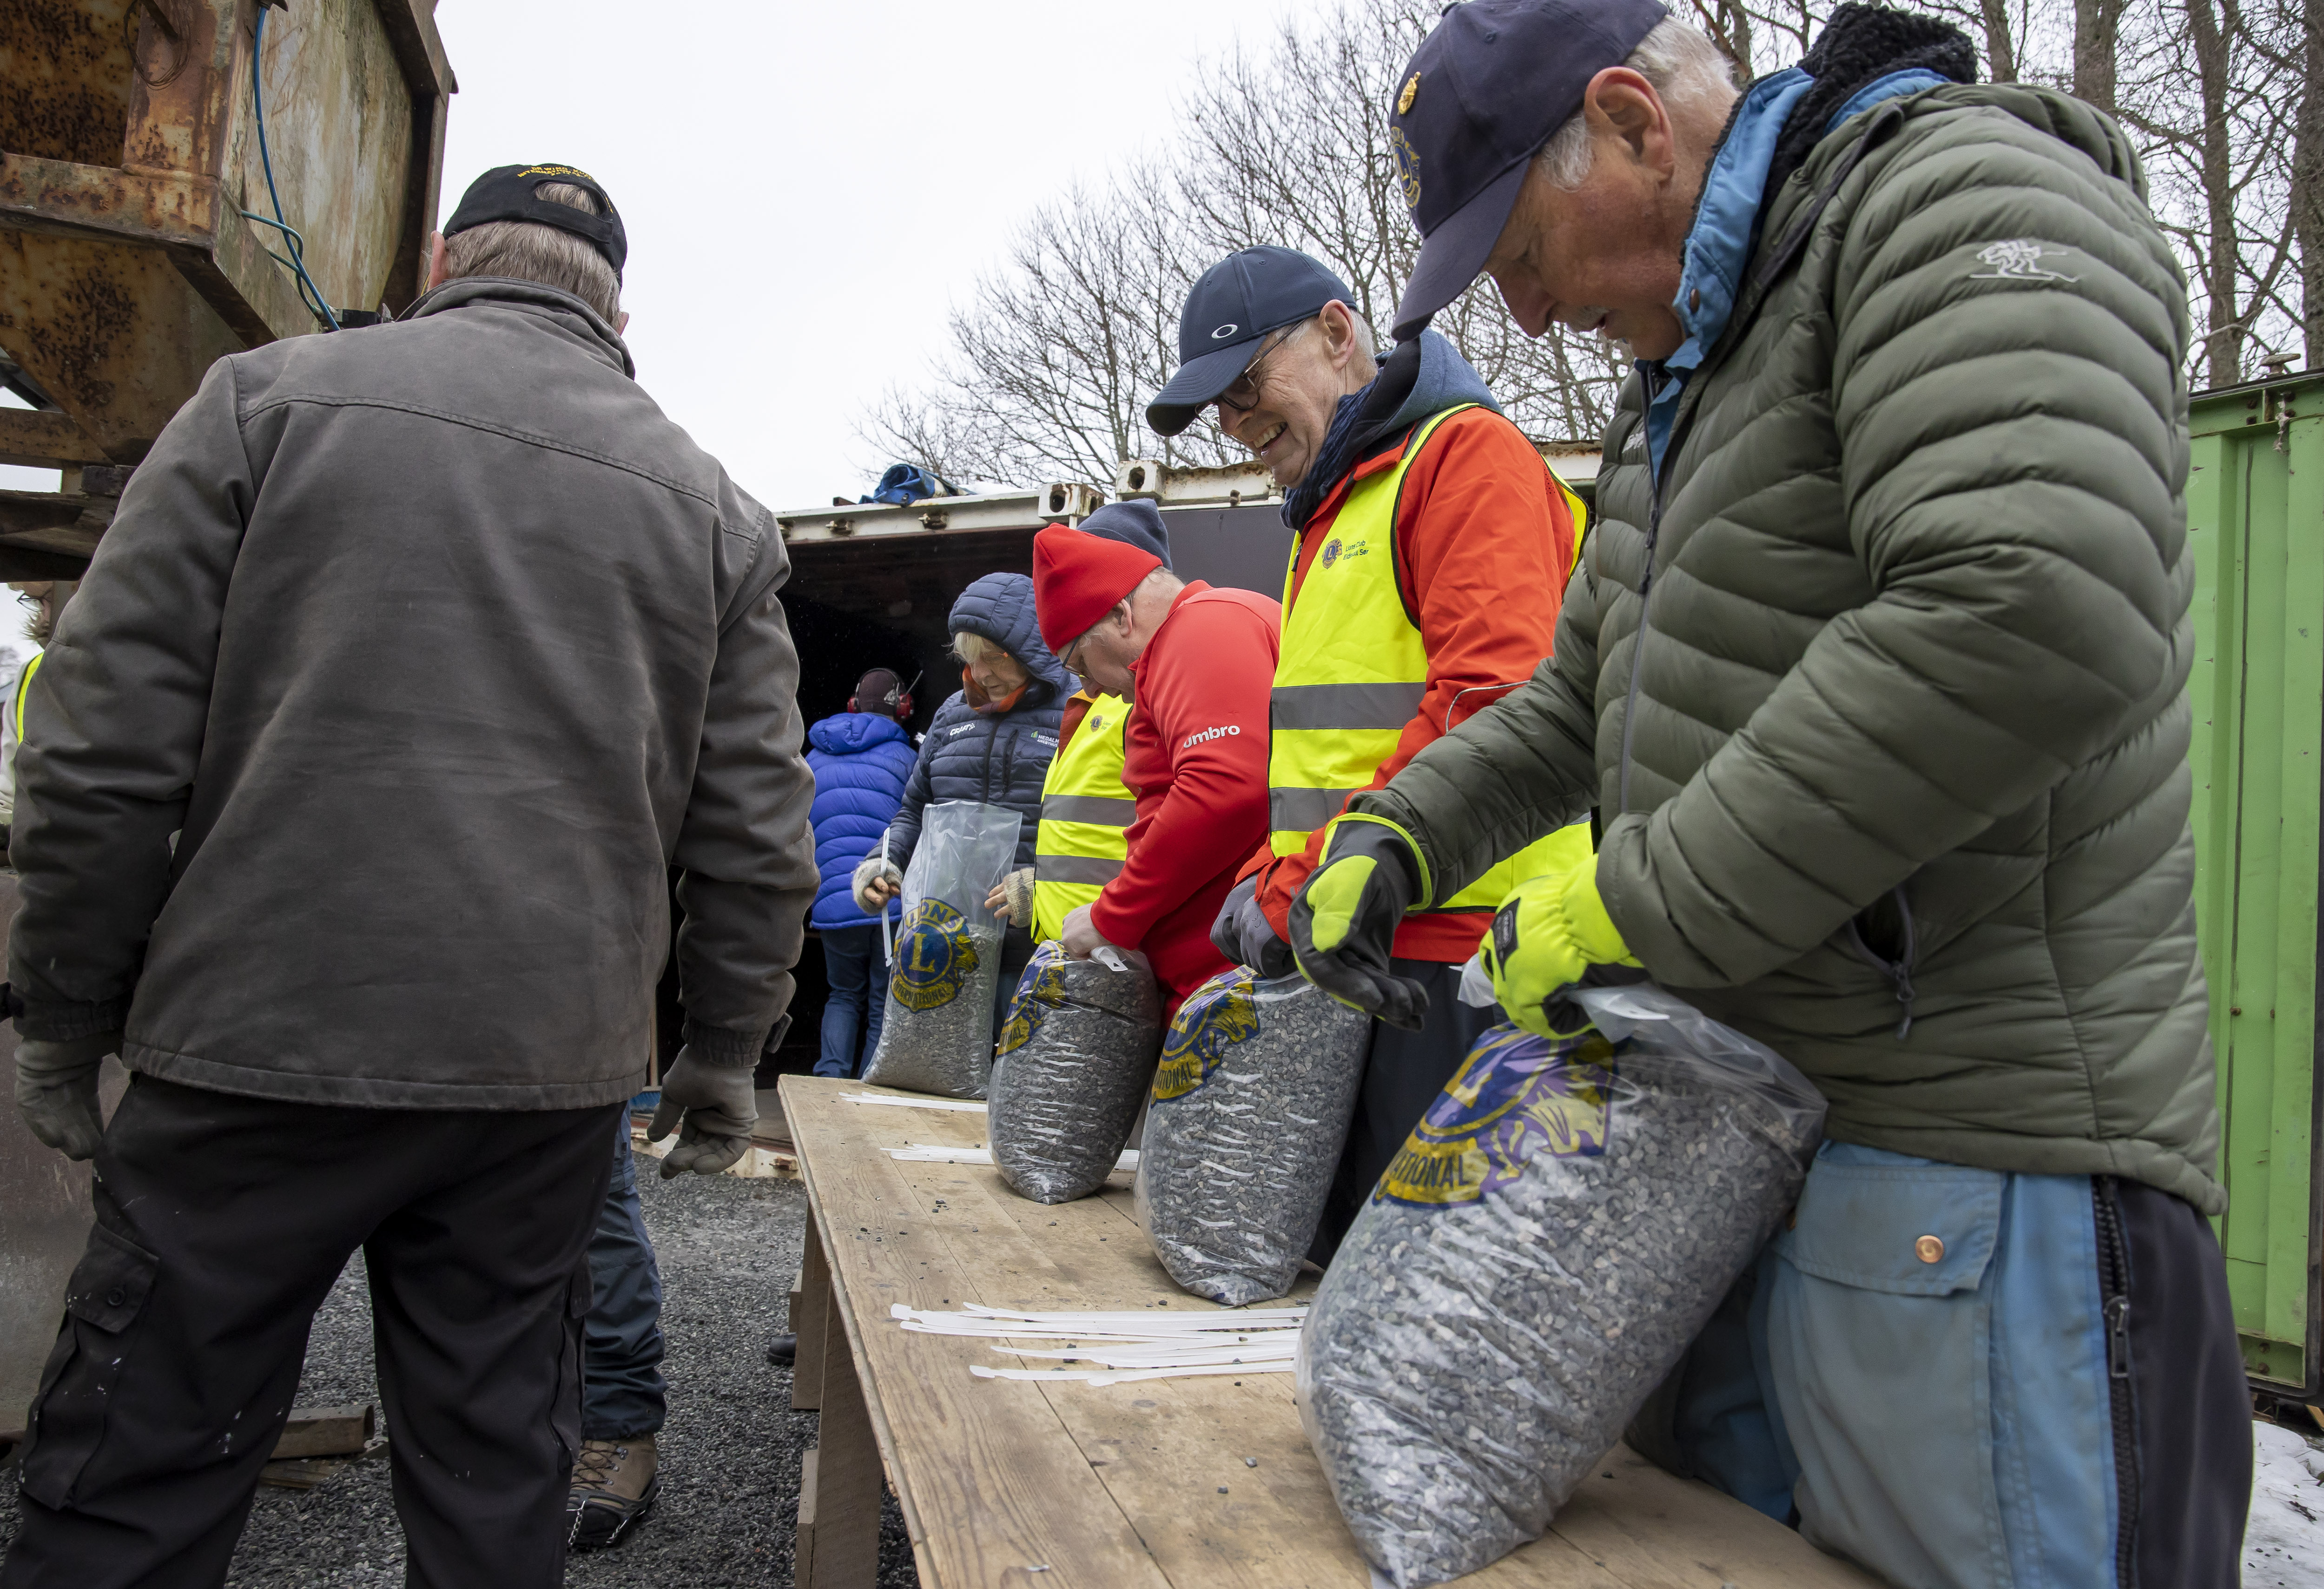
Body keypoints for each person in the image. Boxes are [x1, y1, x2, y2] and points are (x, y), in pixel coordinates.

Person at [1289, 2, 2251, 1581]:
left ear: (1633, 124)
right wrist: (1402, 831)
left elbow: (2033, 607)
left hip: (1975, 1185)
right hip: (1734, 1167)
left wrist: (1635, 900)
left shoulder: (1954, 202)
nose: (1523, 315)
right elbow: (1581, 698)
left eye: (1521, 254)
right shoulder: (1691, 369)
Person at [0, 165, 817, 1586]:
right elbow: (754, 837)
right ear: (617, 314)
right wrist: (723, 1053)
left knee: (142, 1459)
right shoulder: (716, 513)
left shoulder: (263, 404)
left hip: (254, 1038)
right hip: (540, 1076)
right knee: (493, 1466)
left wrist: (66, 1012)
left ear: (442, 261)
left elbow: (100, 747)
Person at [1143, 244, 1587, 1251]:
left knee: (1425, 1293)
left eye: (1246, 383)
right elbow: (1334, 749)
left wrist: (1299, 879)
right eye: (1218, 407)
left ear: (1339, 333)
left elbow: (1492, 703)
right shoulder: (1332, 509)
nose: (1236, 422)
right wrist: (1271, 869)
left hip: (1461, 966)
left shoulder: (1461, 457)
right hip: (1359, 950)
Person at [1030, 525, 1280, 1013]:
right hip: (1231, 976)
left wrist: (1113, 915)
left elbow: (1224, 787)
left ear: (1122, 615)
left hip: (1231, 986)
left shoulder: (1200, 629)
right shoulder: (1213, 626)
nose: (1091, 688)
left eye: (1080, 665)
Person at [853, 573, 1068, 1035]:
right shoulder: (951, 714)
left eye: (994, 657)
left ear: (1031, 650)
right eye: (971, 658)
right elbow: (915, 810)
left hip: (1037, 951)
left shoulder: (1079, 711)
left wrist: (1048, 889)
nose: (982, 673)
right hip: (947, 945)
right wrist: (883, 862)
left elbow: (1102, 829)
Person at [990, 501, 1175, 945]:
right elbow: (1088, 837)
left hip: (1123, 950)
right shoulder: (1094, 695)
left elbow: (1181, 835)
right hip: (1081, 947)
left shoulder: (1145, 695)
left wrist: (1113, 917)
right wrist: (1042, 889)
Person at [805, 667, 919, 1077]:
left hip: (834, 898)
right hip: (888, 898)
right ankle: (868, 1091)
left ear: (853, 704)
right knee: (881, 1001)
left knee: (841, 994)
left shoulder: (813, 759)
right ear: (903, 708)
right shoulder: (908, 759)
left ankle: (829, 1080)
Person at [0, 581, 72, 863]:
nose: (43, 617)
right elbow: (8, 795)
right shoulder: (30, 672)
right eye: (35, 602)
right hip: (45, 863)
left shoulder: (152, 672)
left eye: (47, 599)